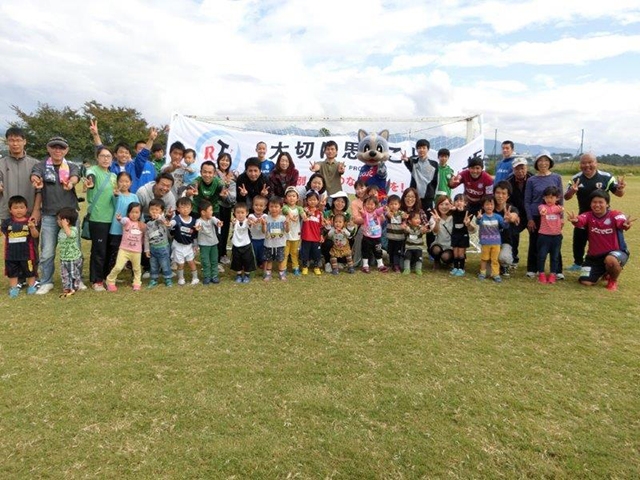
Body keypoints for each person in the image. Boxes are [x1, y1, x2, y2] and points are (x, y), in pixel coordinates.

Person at [31, 136, 83, 295]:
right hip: (49, 215)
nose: (57, 150)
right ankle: (46, 281)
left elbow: (75, 176)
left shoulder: (72, 166)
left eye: (61, 148)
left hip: (70, 216)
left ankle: (77, 280)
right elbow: (35, 175)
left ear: (66, 150)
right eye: (54, 147)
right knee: (47, 251)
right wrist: (35, 180)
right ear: (49, 149)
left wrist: (71, 183)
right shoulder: (40, 165)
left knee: (75, 250)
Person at [564, 152, 626, 271]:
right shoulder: (576, 178)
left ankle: (609, 261)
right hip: (584, 216)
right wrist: (572, 191)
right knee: (579, 239)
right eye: (583, 163)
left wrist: (621, 189)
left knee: (603, 240)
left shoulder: (606, 177)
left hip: (603, 217)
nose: (587, 165)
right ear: (580, 165)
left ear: (596, 163)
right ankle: (577, 263)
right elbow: (566, 197)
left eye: (590, 162)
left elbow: (619, 194)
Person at [567, 190, 634, 291]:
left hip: (616, 252)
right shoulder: (588, 215)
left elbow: (622, 222)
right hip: (594, 257)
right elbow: (580, 220)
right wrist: (575, 221)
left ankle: (612, 280)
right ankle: (605, 271)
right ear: (590, 204)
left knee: (611, 260)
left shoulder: (615, 214)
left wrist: (625, 225)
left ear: (607, 204)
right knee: (585, 282)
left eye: (600, 202)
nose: (597, 205)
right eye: (594, 202)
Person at [524, 151, 564, 279]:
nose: (543, 163)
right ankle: (532, 269)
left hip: (553, 216)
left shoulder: (556, 178)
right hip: (536, 215)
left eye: (546, 160)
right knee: (535, 242)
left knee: (555, 242)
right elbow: (527, 200)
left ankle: (557, 271)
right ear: (536, 163)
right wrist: (530, 218)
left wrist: (561, 217)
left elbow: (561, 199)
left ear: (550, 162)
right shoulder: (531, 180)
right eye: (540, 160)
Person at [89, 120, 158, 193]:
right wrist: (96, 135)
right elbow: (102, 151)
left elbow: (143, 155)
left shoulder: (135, 166)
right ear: (115, 154)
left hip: (131, 201)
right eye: (121, 152)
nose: (124, 155)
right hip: (114, 199)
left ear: (129, 155)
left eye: (126, 153)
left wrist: (150, 140)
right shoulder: (110, 166)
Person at [84, 146, 117, 291]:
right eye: (102, 156)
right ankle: (96, 280)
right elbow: (90, 179)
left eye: (108, 156)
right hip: (98, 218)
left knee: (110, 250)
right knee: (99, 250)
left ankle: (105, 277)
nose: (105, 159)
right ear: (97, 158)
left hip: (112, 219)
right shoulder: (92, 171)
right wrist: (89, 183)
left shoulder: (113, 176)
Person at [0, 127, 41, 228]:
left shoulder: (36, 164)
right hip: (7, 215)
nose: (15, 144)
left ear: (24, 142)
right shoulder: (1, 164)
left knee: (32, 243)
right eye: (11, 140)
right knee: (10, 243)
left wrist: (36, 211)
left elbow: (40, 191)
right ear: (7, 142)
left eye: (18, 140)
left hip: (30, 214)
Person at [1, 195, 39, 297]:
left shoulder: (29, 221)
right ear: (10, 210)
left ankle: (31, 286)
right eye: (15, 208)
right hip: (11, 254)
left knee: (30, 271)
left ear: (26, 209)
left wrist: (32, 228)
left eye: (22, 207)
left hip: (27, 254)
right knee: (12, 273)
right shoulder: (7, 222)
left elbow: (36, 235)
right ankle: (14, 288)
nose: (19, 210)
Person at [105, 203, 145, 291]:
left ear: (140, 214)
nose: (134, 214)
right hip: (124, 250)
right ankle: (110, 280)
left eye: (137, 212)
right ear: (128, 213)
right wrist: (119, 219)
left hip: (137, 251)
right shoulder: (127, 221)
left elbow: (145, 237)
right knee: (118, 267)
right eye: (132, 212)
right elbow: (123, 220)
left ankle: (137, 282)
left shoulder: (142, 225)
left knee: (136, 269)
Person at [107, 172, 139, 275]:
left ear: (131, 183)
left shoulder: (134, 196)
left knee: (132, 251)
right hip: (117, 229)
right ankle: (110, 275)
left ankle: (134, 274)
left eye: (127, 181)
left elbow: (138, 211)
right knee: (114, 252)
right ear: (117, 183)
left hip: (131, 230)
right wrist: (116, 195)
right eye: (121, 181)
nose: (124, 184)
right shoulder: (116, 195)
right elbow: (115, 202)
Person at [506, 158, 532, 268]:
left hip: (531, 214)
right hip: (517, 213)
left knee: (535, 237)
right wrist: (514, 213)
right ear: (513, 169)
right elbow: (508, 200)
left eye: (522, 168)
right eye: (517, 169)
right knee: (513, 234)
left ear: (526, 168)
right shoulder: (509, 182)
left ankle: (532, 263)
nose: (520, 171)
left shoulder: (533, 179)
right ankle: (513, 258)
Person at [492, 180, 521, 277]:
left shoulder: (511, 208)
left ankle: (504, 265)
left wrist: (511, 218)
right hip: (491, 242)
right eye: (498, 193)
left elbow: (514, 216)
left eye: (504, 193)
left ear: (508, 196)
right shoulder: (489, 207)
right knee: (488, 272)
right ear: (494, 194)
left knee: (504, 258)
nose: (500, 196)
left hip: (505, 242)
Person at [402, 139, 439, 211]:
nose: (421, 150)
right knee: (413, 217)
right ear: (416, 149)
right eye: (419, 148)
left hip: (428, 197)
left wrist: (432, 194)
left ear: (428, 149)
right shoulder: (414, 162)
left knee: (428, 219)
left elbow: (435, 181)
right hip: (414, 197)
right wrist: (406, 160)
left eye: (424, 148)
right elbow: (409, 161)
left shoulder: (434, 164)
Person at [537, 186, 564, 284]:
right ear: (544, 198)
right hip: (544, 236)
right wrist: (543, 211)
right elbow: (542, 210)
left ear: (557, 198)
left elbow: (560, 210)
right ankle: (541, 274)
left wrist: (560, 210)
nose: (549, 199)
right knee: (542, 256)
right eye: (547, 197)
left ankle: (553, 274)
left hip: (556, 236)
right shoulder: (542, 207)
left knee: (555, 257)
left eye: (552, 197)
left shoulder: (559, 208)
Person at [169, 197, 199, 285]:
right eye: (182, 207)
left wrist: (195, 245)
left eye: (187, 207)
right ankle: (181, 278)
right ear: (178, 209)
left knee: (191, 262)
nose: (185, 209)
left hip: (189, 246)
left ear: (191, 208)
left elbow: (195, 233)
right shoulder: (176, 218)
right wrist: (169, 224)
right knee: (180, 264)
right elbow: (172, 223)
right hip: (178, 245)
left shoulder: (194, 221)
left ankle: (195, 278)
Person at [476, 195, 505, 283]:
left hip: (496, 242)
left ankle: (496, 274)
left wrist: (507, 220)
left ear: (494, 206)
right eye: (487, 204)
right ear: (483, 206)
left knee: (495, 260)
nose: (489, 206)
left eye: (491, 204)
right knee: (484, 259)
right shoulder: (482, 217)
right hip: (485, 242)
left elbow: (504, 226)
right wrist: (478, 218)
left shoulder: (498, 217)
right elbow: (478, 222)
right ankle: (482, 273)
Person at [144, 199, 173, 288]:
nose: (154, 212)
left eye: (157, 210)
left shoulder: (162, 221)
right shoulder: (148, 224)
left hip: (163, 247)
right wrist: (147, 249)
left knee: (165, 264)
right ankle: (153, 279)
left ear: (161, 211)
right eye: (152, 209)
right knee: (153, 265)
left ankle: (168, 279)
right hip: (153, 248)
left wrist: (160, 216)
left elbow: (163, 219)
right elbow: (146, 237)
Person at [56, 207, 83, 298]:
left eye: (59, 220)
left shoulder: (73, 230)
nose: (58, 221)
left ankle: (74, 287)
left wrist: (65, 226)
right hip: (64, 257)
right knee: (64, 274)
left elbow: (70, 235)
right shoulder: (61, 230)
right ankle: (66, 287)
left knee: (73, 274)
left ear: (67, 221)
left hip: (72, 258)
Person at [195, 200, 223, 285]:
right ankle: (207, 276)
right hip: (204, 245)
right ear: (203, 212)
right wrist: (197, 228)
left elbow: (217, 221)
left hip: (214, 243)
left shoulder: (212, 218)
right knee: (205, 261)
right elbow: (197, 225)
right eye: (210, 210)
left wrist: (219, 223)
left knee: (214, 260)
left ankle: (214, 276)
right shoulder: (199, 221)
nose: (212, 212)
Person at [262, 196, 290, 281]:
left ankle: (281, 274)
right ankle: (268, 274)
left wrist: (288, 224)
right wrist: (263, 225)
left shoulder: (283, 218)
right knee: (269, 260)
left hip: (280, 244)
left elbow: (287, 230)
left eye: (276, 207)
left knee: (280, 260)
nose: (274, 209)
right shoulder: (266, 218)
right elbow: (264, 231)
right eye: (271, 206)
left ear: (281, 208)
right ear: (268, 207)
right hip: (269, 244)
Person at [216, 153, 237, 265]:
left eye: (227, 160)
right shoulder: (213, 173)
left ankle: (223, 254)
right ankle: (216, 255)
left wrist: (227, 187)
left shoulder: (232, 176)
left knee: (224, 232)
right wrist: (224, 187)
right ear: (218, 160)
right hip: (215, 207)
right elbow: (216, 190)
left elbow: (232, 198)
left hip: (227, 208)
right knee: (216, 232)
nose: (224, 162)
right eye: (222, 160)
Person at [360, 195, 388, 273]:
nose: (370, 206)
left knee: (378, 251)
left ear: (375, 205)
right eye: (368, 204)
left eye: (372, 204)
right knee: (365, 251)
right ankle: (365, 265)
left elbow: (380, 210)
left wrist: (383, 208)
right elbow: (363, 215)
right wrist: (361, 212)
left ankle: (380, 265)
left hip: (377, 237)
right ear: (364, 205)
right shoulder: (365, 213)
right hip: (367, 237)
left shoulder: (376, 213)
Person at [449, 193, 475, 276]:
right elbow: (448, 210)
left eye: (461, 200)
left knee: (461, 253)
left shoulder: (467, 212)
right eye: (456, 200)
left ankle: (461, 268)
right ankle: (456, 267)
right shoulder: (453, 211)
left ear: (465, 203)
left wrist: (463, 213)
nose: (458, 202)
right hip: (455, 235)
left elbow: (468, 219)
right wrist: (452, 209)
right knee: (455, 253)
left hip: (463, 235)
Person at [230, 203, 256, 283]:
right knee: (237, 261)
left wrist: (251, 223)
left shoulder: (247, 221)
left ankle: (247, 275)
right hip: (236, 245)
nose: (240, 215)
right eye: (238, 213)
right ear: (234, 213)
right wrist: (233, 223)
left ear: (247, 213)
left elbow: (250, 224)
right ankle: (239, 275)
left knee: (247, 260)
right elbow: (233, 226)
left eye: (242, 213)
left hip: (246, 245)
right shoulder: (234, 221)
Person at [282, 186, 305, 276]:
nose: (291, 198)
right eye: (289, 196)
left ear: (297, 198)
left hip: (296, 234)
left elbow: (303, 215)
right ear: (286, 198)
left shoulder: (299, 208)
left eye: (294, 196)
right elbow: (286, 211)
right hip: (286, 235)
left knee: (294, 253)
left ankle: (295, 267)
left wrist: (306, 216)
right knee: (285, 253)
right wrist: (291, 216)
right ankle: (283, 268)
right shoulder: (284, 207)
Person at [300, 190, 324, 275]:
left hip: (316, 238)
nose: (312, 201)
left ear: (318, 201)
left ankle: (316, 267)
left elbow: (321, 226)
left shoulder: (320, 213)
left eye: (314, 199)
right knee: (305, 252)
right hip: (306, 236)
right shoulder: (304, 210)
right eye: (310, 200)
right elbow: (304, 216)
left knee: (316, 253)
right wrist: (307, 212)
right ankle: (305, 266)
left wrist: (321, 235)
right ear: (306, 201)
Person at [429, 196, 454, 270]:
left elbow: (472, 230)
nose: (444, 207)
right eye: (441, 204)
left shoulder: (454, 217)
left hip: (451, 246)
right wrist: (437, 222)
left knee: (445, 257)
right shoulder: (434, 217)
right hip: (439, 243)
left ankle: (450, 261)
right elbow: (435, 232)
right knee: (436, 250)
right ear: (437, 205)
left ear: (451, 205)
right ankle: (436, 261)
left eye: (447, 204)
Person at [385, 194, 405, 273]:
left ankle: (396, 265)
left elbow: (405, 216)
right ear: (388, 205)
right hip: (390, 237)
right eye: (391, 204)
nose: (393, 206)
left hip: (399, 237)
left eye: (395, 204)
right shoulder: (388, 213)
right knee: (390, 250)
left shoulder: (401, 213)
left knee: (397, 251)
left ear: (399, 205)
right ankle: (392, 263)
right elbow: (389, 215)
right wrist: (387, 210)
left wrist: (404, 216)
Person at [248, 195, 268, 269]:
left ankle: (262, 264)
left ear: (265, 207)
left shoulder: (265, 216)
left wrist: (263, 224)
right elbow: (249, 222)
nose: (258, 207)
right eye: (256, 205)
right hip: (253, 240)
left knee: (262, 254)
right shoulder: (251, 216)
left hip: (263, 239)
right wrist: (253, 222)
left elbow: (264, 231)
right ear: (253, 206)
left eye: (261, 205)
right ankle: (254, 263)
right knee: (253, 254)